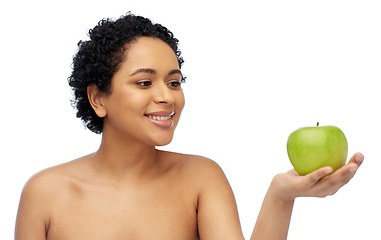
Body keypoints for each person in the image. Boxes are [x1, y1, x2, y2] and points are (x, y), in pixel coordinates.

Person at [14, 13, 364, 240]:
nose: (167, 97)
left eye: (174, 82)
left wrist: (281, 195)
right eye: (144, 83)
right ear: (98, 98)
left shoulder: (201, 177)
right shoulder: (45, 193)